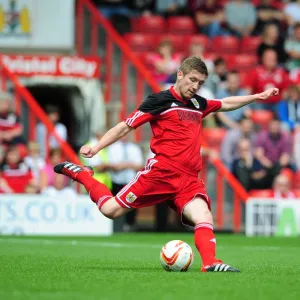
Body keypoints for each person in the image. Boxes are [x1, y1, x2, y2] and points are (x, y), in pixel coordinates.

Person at [54, 56, 279, 273]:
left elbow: (225, 103)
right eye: (192, 80)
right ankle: (83, 175)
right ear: (179, 74)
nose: (195, 86)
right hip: (161, 173)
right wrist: (96, 148)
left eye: (200, 83)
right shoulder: (159, 101)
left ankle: (210, 262)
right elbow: (125, 126)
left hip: (189, 179)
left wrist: (257, 96)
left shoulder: (197, 103)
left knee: (204, 216)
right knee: (110, 210)